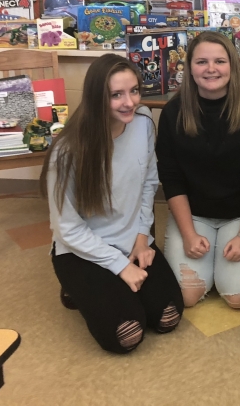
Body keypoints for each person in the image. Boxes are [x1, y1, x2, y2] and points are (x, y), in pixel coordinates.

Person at [45, 55, 182, 353]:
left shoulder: (143, 123)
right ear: (96, 97)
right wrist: (121, 267)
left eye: (134, 91)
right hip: (81, 250)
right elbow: (67, 227)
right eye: (116, 95)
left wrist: (143, 237)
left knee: (167, 316)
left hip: (132, 239)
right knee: (127, 334)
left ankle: (105, 289)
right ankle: (77, 288)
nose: (129, 102)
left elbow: (148, 182)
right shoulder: (67, 151)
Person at [156, 31, 240, 309]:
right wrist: (188, 234)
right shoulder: (174, 111)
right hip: (193, 214)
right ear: (189, 68)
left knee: (238, 298)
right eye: (202, 62)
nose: (211, 69)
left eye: (220, 61)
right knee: (186, 296)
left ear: (233, 66)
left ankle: (227, 264)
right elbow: (171, 178)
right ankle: (207, 262)